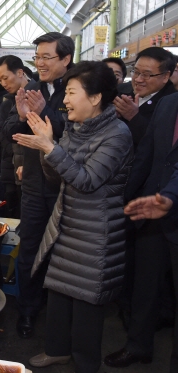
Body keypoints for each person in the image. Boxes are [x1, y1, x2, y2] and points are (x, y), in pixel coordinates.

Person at [13, 61, 132, 373]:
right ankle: (56, 350)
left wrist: (49, 147)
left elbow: (87, 181)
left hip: (96, 232)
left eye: (71, 93)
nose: (64, 100)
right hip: (67, 223)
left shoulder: (117, 134)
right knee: (59, 292)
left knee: (86, 302)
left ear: (95, 97)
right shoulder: (77, 127)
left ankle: (85, 363)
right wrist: (45, 149)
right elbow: (58, 179)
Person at [1, 32, 75, 339]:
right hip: (33, 184)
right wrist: (21, 117)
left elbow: (77, 131)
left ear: (66, 59)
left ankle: (63, 317)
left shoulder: (78, 88)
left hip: (68, 186)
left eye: (47, 57)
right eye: (37, 57)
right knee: (29, 247)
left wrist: (44, 112)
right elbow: (8, 133)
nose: (40, 63)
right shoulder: (29, 88)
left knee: (65, 252)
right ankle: (28, 311)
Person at [104, 90, 178, 371]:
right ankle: (138, 346)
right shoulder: (168, 103)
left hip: (171, 204)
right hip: (151, 207)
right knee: (145, 286)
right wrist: (125, 197)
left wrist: (170, 198)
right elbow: (147, 152)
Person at [0, 55, 32, 219]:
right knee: (14, 205)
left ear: (20, 72)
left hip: (27, 167)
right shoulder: (9, 98)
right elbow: (2, 130)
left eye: (5, 78)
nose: (3, 84)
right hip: (12, 161)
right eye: (0, 80)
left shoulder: (34, 94)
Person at [114, 47, 175, 149]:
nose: (138, 79)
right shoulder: (120, 91)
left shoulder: (172, 104)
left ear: (165, 76)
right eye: (136, 72)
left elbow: (161, 144)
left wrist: (133, 117)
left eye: (147, 75)